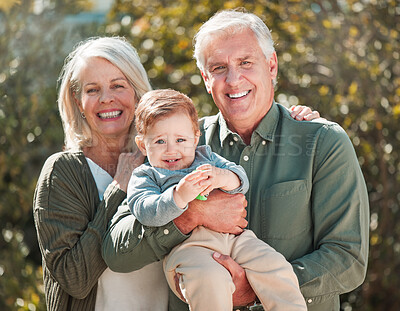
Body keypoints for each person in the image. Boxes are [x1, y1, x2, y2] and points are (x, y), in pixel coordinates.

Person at [103, 9, 369, 311]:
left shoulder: (322, 142)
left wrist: (256, 288)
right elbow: (117, 251)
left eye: (245, 62)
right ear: (205, 78)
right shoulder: (176, 143)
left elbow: (348, 258)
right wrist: (190, 216)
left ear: (271, 66)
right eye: (218, 67)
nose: (233, 79)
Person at [32, 36, 316, 311]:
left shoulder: (169, 153)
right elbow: (73, 280)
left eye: (118, 86)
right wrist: (120, 188)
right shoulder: (63, 171)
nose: (107, 99)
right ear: (78, 100)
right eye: (92, 90)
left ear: (137, 93)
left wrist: (295, 122)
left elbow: (240, 131)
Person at [127, 88, 307, 311]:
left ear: (195, 139)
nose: (171, 149)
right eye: (160, 142)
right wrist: (178, 196)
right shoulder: (146, 176)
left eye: (180, 139)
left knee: (274, 265)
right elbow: (143, 211)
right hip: (189, 247)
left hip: (235, 239)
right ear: (143, 145)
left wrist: (222, 176)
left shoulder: (206, 157)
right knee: (209, 279)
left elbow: (241, 179)